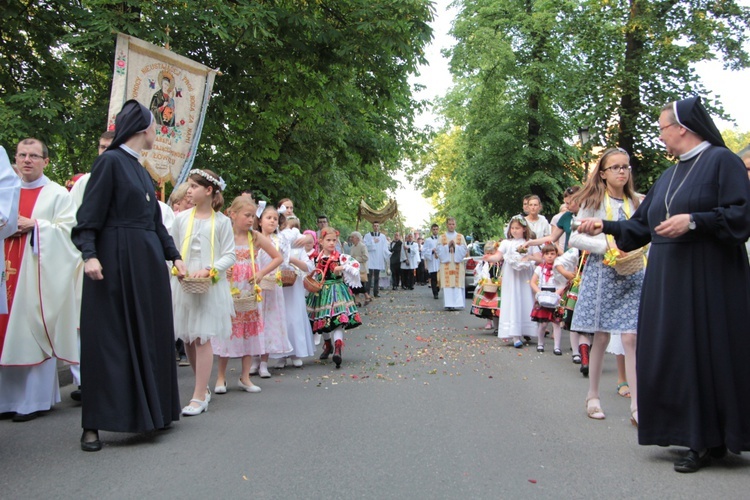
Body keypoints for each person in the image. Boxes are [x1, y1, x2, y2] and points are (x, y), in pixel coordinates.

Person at [579, 96, 750, 473]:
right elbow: (642, 226)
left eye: (662, 128)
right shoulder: (669, 175)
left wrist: (694, 222)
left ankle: (708, 440)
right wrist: (603, 226)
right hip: (669, 284)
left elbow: (741, 214)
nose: (660, 136)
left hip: (709, 283)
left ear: (683, 128)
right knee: (677, 354)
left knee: (703, 354)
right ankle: (694, 433)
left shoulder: (723, 162)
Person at [72, 100, 187, 451]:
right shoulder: (109, 163)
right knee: (109, 341)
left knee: (149, 337)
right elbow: (87, 217)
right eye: (155, 126)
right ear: (142, 128)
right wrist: (89, 255)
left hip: (147, 264)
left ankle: (151, 415)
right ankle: (92, 425)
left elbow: (154, 221)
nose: (157, 132)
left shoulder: (141, 169)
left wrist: (175, 256)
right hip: (116, 263)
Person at [0, 138, 79, 423]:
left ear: (46, 161)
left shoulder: (57, 194)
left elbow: (71, 233)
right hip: (5, 274)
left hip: (35, 279)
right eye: (22, 155)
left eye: (34, 155)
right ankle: (6, 400)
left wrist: (35, 226)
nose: (26, 160)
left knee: (31, 331)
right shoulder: (4, 191)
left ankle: (33, 401)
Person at [568, 147, 644, 432]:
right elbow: (576, 238)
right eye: (615, 167)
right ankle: (593, 396)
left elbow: (643, 232)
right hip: (603, 272)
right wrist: (608, 245)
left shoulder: (637, 201)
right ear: (602, 173)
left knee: (631, 337)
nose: (622, 172)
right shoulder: (593, 201)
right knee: (600, 335)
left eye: (626, 167)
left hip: (632, 272)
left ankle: (637, 405)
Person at [171, 168, 235, 416]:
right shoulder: (181, 219)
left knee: (202, 336)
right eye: (188, 186)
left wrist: (211, 269)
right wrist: (176, 267)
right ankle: (202, 385)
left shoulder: (221, 222)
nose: (189, 190)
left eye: (194, 186)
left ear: (209, 191)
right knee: (188, 336)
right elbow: (173, 249)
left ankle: (199, 395)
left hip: (209, 285)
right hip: (184, 283)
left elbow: (229, 254)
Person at [212, 196, 280, 394]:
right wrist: (221, 270)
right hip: (229, 289)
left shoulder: (255, 237)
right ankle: (221, 377)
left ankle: (245, 377)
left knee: (248, 332)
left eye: (253, 216)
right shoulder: (225, 236)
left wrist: (260, 273)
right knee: (227, 331)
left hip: (249, 290)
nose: (251, 220)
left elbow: (278, 257)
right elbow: (213, 258)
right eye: (247, 215)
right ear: (232, 215)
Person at [306, 227, 362, 368]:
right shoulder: (315, 258)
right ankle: (328, 344)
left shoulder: (340, 257)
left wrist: (342, 268)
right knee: (322, 321)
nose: (331, 243)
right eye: (328, 240)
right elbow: (309, 271)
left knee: (337, 319)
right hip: (320, 292)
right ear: (321, 241)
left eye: (334, 240)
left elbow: (355, 265)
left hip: (337, 291)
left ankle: (337, 348)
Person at [485, 215, 540, 346]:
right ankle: (515, 334)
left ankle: (526, 329)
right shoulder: (506, 243)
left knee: (525, 299)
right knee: (513, 300)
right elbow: (498, 256)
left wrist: (528, 257)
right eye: (513, 228)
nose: (514, 230)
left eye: (518, 228)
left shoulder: (530, 243)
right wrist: (490, 258)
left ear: (524, 229)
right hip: (511, 276)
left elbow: (540, 258)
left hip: (525, 276)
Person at [529, 244, 566, 354]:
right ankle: (540, 343)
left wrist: (557, 293)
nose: (550, 256)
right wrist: (539, 292)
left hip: (555, 294)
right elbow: (532, 281)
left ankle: (557, 347)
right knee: (543, 323)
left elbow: (564, 282)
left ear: (556, 255)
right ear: (543, 255)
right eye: (547, 254)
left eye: (552, 254)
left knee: (556, 322)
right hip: (543, 295)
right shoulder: (540, 268)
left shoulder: (559, 267)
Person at [436, 217, 468, 310]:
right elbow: (438, 249)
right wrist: (447, 246)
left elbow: (464, 249)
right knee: (448, 284)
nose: (451, 226)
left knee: (457, 284)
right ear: (446, 225)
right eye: (449, 224)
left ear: (455, 225)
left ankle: (457, 304)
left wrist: (456, 247)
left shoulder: (460, 237)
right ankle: (449, 304)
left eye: (453, 224)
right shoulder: (442, 237)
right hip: (447, 264)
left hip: (457, 263)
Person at [470, 241, 501, 330]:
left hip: (497, 286)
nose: (489, 255)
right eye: (487, 253)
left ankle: (497, 327)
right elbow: (480, 272)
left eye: (491, 253)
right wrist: (483, 280)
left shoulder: (498, 263)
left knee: (496, 306)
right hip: (487, 285)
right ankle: (489, 321)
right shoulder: (484, 263)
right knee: (488, 305)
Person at [363, 222, 388, 298]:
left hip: (378, 258)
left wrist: (387, 255)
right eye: (374, 226)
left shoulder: (383, 237)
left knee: (377, 276)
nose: (376, 227)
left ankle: (376, 292)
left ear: (379, 227)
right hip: (370, 259)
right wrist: (373, 242)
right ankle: (367, 292)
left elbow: (385, 247)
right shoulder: (367, 236)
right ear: (372, 227)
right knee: (369, 276)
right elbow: (365, 246)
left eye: (377, 226)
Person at [348, 231, 370, 305]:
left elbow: (366, 257)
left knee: (359, 284)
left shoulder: (362, 246)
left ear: (357, 238)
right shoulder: (353, 247)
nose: (351, 239)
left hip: (361, 269)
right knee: (355, 284)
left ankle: (366, 297)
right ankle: (358, 300)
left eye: (352, 237)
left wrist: (355, 258)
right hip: (354, 269)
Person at [422, 223, 441, 299]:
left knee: (439, 278)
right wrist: (431, 251)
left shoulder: (441, 239)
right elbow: (424, 251)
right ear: (431, 230)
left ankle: (438, 289)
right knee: (433, 277)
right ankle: (435, 293)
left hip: (439, 261)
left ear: (438, 230)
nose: (435, 231)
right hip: (432, 261)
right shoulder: (428, 240)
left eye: (436, 229)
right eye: (434, 229)